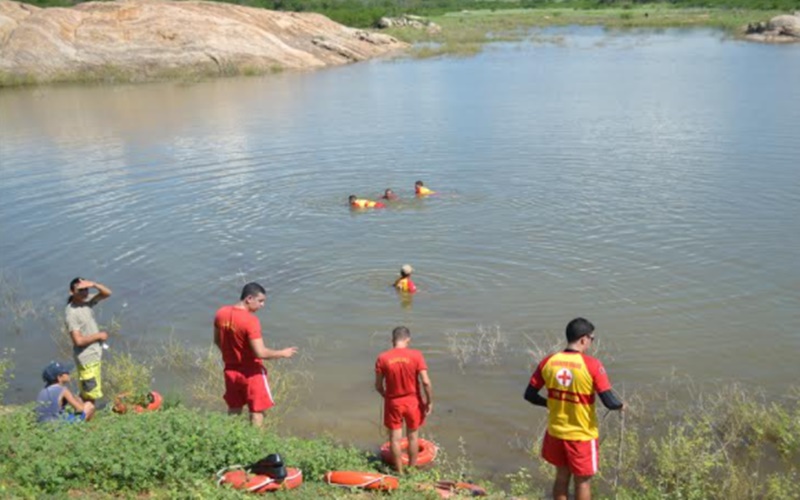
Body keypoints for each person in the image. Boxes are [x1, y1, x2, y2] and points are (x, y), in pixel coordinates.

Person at [524, 318, 624, 500]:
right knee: (582, 482)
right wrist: (622, 405)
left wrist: (550, 403)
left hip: (556, 433)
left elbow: (529, 395)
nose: (591, 343)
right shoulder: (592, 365)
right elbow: (609, 401)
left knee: (561, 476)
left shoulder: (549, 361)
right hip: (581, 436)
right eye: (592, 339)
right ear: (584, 339)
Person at [213, 282, 298, 427]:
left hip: (230, 370)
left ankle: (229, 435)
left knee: (234, 407)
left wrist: (231, 355)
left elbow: (217, 341)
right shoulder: (250, 321)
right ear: (249, 298)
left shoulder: (221, 313)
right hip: (251, 372)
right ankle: (256, 442)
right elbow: (260, 352)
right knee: (257, 410)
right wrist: (283, 353)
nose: (262, 305)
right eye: (260, 301)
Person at [375, 326, 433, 474]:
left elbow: (378, 385)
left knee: (395, 439)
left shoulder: (383, 358)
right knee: (413, 437)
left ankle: (399, 472)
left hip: (393, 402)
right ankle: (412, 471)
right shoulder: (416, 355)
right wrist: (429, 401)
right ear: (408, 340)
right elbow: (426, 382)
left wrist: (386, 395)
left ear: (392, 340)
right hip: (413, 401)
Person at [65, 277, 112, 402]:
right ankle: (86, 419)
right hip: (87, 359)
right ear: (71, 292)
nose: (84, 292)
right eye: (80, 290)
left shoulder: (86, 301)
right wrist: (99, 336)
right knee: (91, 396)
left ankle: (78, 413)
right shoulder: (72, 314)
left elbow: (107, 293)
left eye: (86, 289)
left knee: (86, 393)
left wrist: (94, 284)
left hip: (93, 356)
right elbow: (78, 341)